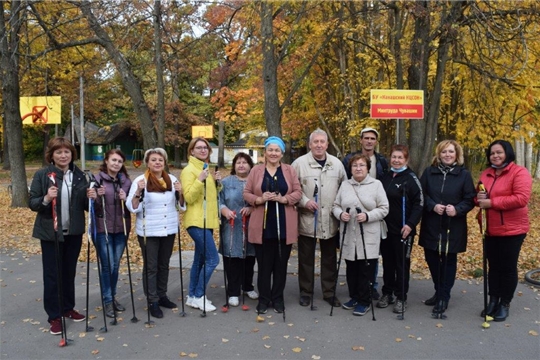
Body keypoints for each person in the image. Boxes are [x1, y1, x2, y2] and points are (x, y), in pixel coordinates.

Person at [29, 137, 88, 335]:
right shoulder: (43, 175)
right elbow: (33, 203)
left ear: (72, 154)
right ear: (52, 156)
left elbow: (85, 206)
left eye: (67, 152)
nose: (64, 156)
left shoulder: (79, 175)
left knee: (69, 272)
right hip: (51, 233)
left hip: (73, 232)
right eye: (59, 152)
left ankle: (67, 308)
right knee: (53, 276)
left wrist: (93, 199)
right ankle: (54, 316)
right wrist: (46, 198)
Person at [243, 136, 302, 314]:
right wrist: (259, 199)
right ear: (265, 153)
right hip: (262, 225)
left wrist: (285, 199)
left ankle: (278, 298)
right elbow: (246, 193)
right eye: (270, 150)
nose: (273, 153)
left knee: (280, 265)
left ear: (282, 153)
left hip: (284, 225)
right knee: (264, 266)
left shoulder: (289, 170)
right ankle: (264, 299)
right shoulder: (256, 171)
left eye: (277, 150)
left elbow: (298, 192)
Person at [476, 140, 532, 322]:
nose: (496, 156)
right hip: (490, 229)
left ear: (507, 153)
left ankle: (505, 303)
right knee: (493, 267)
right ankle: (493, 299)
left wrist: (492, 202)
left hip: (512, 230)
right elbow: (479, 197)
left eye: (499, 152)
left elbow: (521, 198)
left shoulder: (519, 173)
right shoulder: (487, 173)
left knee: (507, 268)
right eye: (492, 153)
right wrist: (479, 198)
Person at [291, 129, 347, 308]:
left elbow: (344, 189)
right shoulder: (299, 164)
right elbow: (292, 190)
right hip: (308, 219)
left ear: (327, 144)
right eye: (315, 142)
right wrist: (304, 201)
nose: (319, 145)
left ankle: (329, 292)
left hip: (330, 220)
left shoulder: (336, 164)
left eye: (322, 142)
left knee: (329, 259)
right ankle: (306, 293)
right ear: (310, 144)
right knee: (306, 259)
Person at [419, 140, 475, 315]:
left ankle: (444, 296)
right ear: (439, 154)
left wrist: (457, 209)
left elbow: (470, 198)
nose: (447, 155)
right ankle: (439, 290)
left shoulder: (463, 175)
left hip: (453, 225)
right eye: (444, 152)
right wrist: (432, 206)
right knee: (432, 257)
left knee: (449, 260)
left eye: (451, 152)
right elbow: (421, 194)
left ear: (456, 154)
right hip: (432, 223)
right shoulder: (429, 172)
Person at [126, 148, 183, 318]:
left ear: (165, 162)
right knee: (151, 267)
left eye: (160, 160)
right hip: (148, 231)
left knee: (164, 264)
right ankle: (152, 300)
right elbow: (132, 207)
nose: (157, 162)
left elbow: (180, 205)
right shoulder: (140, 180)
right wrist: (138, 192)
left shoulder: (172, 180)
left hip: (169, 229)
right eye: (153, 160)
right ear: (147, 163)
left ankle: (162, 295)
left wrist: (181, 192)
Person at [333, 154, 389, 316]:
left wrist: (368, 216)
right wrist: (340, 214)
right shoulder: (345, 185)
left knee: (366, 269)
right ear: (350, 169)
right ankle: (355, 297)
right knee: (351, 268)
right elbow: (336, 205)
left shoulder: (376, 184)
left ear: (368, 168)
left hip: (368, 234)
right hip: (349, 233)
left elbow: (384, 208)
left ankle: (365, 300)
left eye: (362, 165)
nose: (358, 168)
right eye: (355, 166)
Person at [342, 127, 388, 300]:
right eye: (366, 138)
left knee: (370, 255)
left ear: (376, 141)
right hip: (352, 219)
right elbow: (339, 198)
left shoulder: (381, 161)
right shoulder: (349, 159)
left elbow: (383, 201)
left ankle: (371, 287)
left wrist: (371, 214)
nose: (369, 141)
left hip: (371, 214)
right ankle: (356, 293)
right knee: (354, 259)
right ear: (361, 140)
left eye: (372, 138)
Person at [377, 145, 423, 314]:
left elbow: (420, 204)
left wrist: (411, 224)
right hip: (385, 229)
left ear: (406, 159)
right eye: (394, 157)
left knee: (401, 264)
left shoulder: (411, 178)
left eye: (400, 157)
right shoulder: (384, 177)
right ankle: (387, 293)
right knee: (388, 264)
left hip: (404, 229)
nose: (396, 160)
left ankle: (401, 297)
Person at [87, 149, 132, 318]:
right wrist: (96, 197)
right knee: (107, 266)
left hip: (121, 228)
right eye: (113, 160)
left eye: (119, 161)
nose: (116, 164)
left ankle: (111, 297)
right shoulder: (96, 180)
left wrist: (125, 198)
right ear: (106, 161)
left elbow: (133, 205)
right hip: (102, 229)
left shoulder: (125, 181)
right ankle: (107, 300)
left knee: (115, 265)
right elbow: (92, 207)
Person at [181, 137, 221, 312]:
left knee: (199, 260)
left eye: (205, 148)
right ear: (192, 151)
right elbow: (188, 197)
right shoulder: (189, 171)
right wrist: (199, 180)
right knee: (213, 259)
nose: (203, 150)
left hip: (208, 221)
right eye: (199, 148)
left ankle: (191, 296)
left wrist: (217, 183)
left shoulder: (205, 168)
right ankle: (199, 295)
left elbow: (209, 198)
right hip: (196, 222)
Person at [219, 153, 258, 307]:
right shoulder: (225, 182)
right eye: (238, 162)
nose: (241, 165)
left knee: (250, 257)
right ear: (234, 165)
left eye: (245, 162)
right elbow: (219, 201)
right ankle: (233, 291)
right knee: (232, 258)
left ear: (250, 165)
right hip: (232, 225)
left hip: (251, 225)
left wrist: (251, 208)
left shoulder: (256, 182)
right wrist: (225, 211)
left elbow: (260, 200)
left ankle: (248, 286)